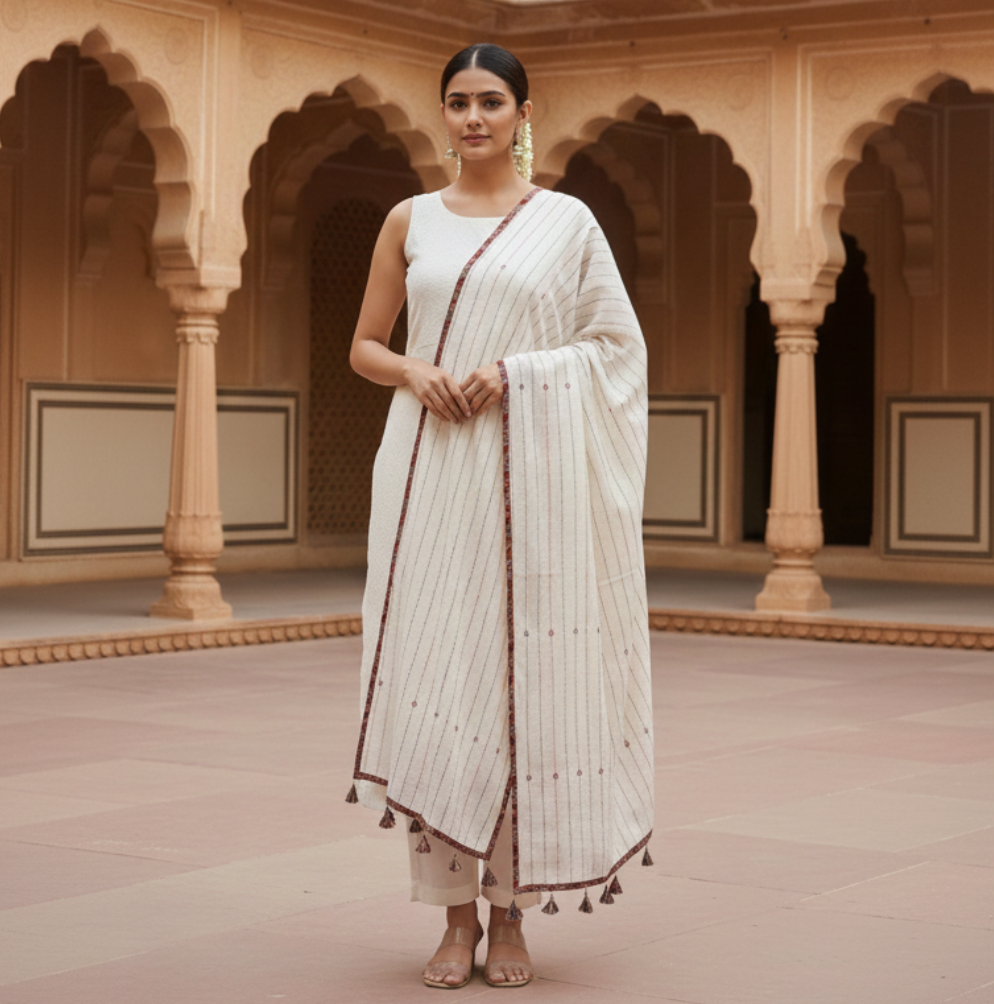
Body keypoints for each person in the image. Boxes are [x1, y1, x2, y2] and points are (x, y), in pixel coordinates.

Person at [347, 42, 654, 990]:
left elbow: (617, 347)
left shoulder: (565, 223)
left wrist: (515, 372)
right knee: (439, 681)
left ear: (524, 112)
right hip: (429, 474)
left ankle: (511, 916)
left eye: (490, 101)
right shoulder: (410, 220)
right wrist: (416, 371)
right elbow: (364, 345)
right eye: (457, 102)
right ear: (442, 114)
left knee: (524, 684)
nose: (472, 117)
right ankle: (452, 917)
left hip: (535, 485)